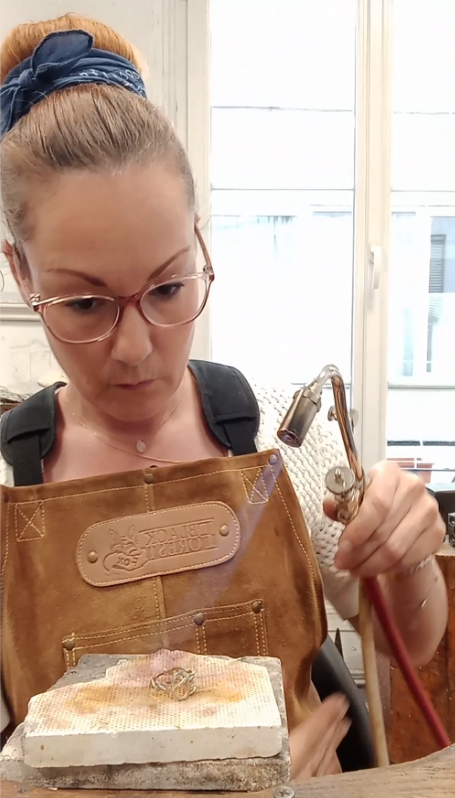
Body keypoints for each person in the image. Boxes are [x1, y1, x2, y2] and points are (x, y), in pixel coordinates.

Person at [0, 14, 448, 781]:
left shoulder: (280, 437)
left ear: (199, 242)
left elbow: (413, 641)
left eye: (169, 287)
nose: (136, 348)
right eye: (85, 304)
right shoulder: (11, 486)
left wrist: (408, 559)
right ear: (21, 272)